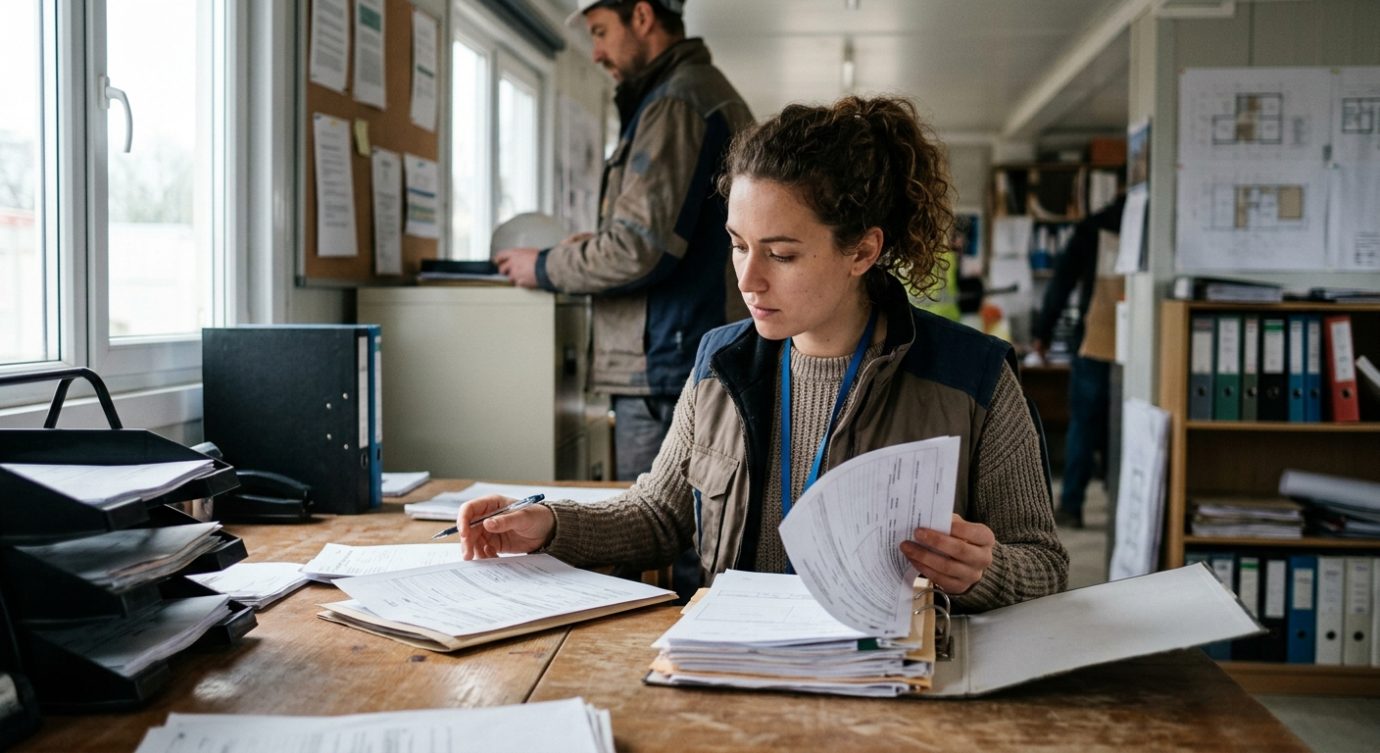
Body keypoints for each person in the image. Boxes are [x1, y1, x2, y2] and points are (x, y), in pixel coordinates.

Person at [466, 96, 1068, 611]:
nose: (748, 279)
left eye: (780, 254)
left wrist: (983, 572)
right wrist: (547, 523)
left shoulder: (974, 376)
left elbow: (1045, 566)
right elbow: (657, 515)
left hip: (890, 691)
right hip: (734, 671)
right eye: (737, 245)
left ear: (861, 252)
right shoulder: (720, 362)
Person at [493, 0, 753, 482]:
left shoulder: (677, 103)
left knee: (660, 540)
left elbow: (638, 249)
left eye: (599, 32)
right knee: (692, 540)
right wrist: (599, 242)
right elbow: (677, 233)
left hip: (667, 366)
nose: (595, 52)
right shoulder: (699, 92)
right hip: (686, 353)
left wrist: (546, 265)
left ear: (641, 17)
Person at [1031, 195, 1126, 530]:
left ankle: (1072, 505)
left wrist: (1041, 332)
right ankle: (1123, 506)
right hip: (1143, 343)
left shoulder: (1093, 226)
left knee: (1083, 426)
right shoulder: (1156, 219)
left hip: (1095, 340)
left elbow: (1062, 282)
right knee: (1129, 426)